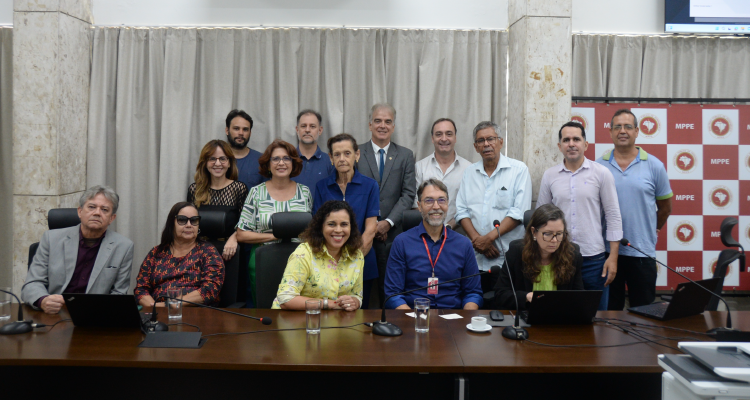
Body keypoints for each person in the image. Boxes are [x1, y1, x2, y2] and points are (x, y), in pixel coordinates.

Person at [536, 121, 622, 311]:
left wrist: (613, 257)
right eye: (566, 140)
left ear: (586, 144)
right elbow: (541, 218)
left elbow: (613, 216)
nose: (571, 144)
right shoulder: (550, 176)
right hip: (558, 257)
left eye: (576, 139)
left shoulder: (602, 173)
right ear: (560, 146)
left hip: (593, 259)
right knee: (560, 315)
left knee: (597, 318)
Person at [597, 109, 673, 310]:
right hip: (606, 252)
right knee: (610, 313)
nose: (623, 131)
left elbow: (665, 208)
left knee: (644, 312)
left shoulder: (655, 165)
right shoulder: (598, 166)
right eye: (617, 127)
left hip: (641, 251)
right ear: (611, 132)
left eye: (628, 127)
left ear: (637, 131)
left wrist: (651, 229)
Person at [22, 185, 134, 314]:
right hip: (54, 313)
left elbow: (119, 294)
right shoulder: (51, 239)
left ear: (111, 218)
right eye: (92, 207)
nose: (97, 213)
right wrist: (43, 300)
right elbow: (32, 283)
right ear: (80, 212)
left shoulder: (123, 246)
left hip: (94, 315)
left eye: (104, 209)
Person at [455, 121, 532, 293]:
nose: (486, 144)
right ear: (476, 147)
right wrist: (478, 241)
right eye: (481, 141)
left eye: (490, 139)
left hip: (506, 257)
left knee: (505, 307)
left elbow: (519, 212)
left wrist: (488, 239)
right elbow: (461, 211)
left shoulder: (518, 170)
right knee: (475, 305)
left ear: (500, 141)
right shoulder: (469, 173)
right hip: (475, 257)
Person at [236, 139, 313, 307]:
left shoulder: (305, 192)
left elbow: (311, 232)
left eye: (286, 158)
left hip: (300, 260)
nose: (281, 163)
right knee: (264, 308)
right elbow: (241, 234)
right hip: (264, 259)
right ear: (268, 164)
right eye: (275, 159)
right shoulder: (256, 193)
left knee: (295, 309)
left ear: (293, 163)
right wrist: (274, 235)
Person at [385, 179, 483, 310]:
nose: (436, 206)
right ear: (419, 206)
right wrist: (415, 320)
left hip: (453, 318)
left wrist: (464, 321)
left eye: (441, 200)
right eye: (429, 200)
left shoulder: (463, 244)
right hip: (412, 316)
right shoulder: (402, 242)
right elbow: (393, 294)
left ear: (448, 204)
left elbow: (473, 293)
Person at [356, 103, 416, 306]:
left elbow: (408, 194)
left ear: (394, 126)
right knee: (359, 288)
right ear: (370, 124)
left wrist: (388, 222)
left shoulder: (406, 155)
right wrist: (372, 226)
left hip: (393, 235)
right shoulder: (356, 153)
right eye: (378, 121)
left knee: (389, 288)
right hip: (361, 233)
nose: (383, 125)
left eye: (388, 121)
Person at [314, 133, 379, 308]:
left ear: (356, 155)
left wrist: (352, 260)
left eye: (347, 153)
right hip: (328, 265)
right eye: (337, 154)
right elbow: (318, 226)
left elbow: (371, 228)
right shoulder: (321, 186)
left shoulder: (370, 185)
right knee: (331, 313)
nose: (342, 159)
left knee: (358, 316)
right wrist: (336, 260)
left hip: (362, 261)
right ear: (331, 158)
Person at [273, 200, 364, 311]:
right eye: (331, 224)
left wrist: (354, 302)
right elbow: (285, 299)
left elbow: (357, 295)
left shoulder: (356, 255)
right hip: (295, 319)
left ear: (351, 228)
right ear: (321, 227)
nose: (338, 230)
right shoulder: (304, 253)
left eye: (344, 224)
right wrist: (329, 304)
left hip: (334, 321)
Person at [493, 204, 584, 311]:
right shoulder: (516, 253)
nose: (554, 240)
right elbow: (500, 294)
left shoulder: (572, 256)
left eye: (559, 234)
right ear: (534, 232)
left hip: (560, 318)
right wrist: (526, 297)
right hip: (525, 317)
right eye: (548, 234)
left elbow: (579, 298)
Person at [135, 202, 225, 307]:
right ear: (171, 224)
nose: (189, 225)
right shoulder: (156, 253)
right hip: (157, 314)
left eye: (194, 220)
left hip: (196, 314)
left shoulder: (208, 252)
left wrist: (171, 305)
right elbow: (141, 289)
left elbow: (210, 289)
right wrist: (155, 308)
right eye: (182, 220)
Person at [187, 140, 248, 261]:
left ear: (229, 163)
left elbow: (245, 224)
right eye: (212, 159)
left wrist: (234, 237)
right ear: (205, 163)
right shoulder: (195, 190)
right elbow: (190, 223)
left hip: (229, 252)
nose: (217, 163)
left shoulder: (239, 189)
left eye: (222, 159)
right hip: (199, 253)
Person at [413, 118, 472, 232]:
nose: (444, 138)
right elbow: (416, 204)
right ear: (432, 138)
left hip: (458, 233)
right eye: (439, 134)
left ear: (455, 138)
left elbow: (470, 206)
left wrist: (448, 227)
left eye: (449, 134)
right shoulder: (419, 168)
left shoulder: (469, 169)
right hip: (425, 234)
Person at [291, 109, 334, 198]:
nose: (307, 130)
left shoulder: (329, 161)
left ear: (320, 130)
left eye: (312, 126)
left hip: (322, 211)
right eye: (303, 126)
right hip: (292, 211)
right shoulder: (287, 160)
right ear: (297, 129)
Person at [225, 109, 266, 190]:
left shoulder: (262, 160)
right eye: (236, 128)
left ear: (250, 133)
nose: (241, 133)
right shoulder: (216, 160)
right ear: (227, 130)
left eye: (245, 129)